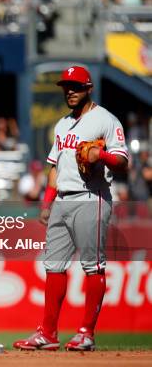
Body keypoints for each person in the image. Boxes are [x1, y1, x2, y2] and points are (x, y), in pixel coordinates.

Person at [13, 66, 129, 351]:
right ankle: (48, 334)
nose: (70, 91)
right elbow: (54, 167)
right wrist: (46, 203)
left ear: (89, 88)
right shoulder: (62, 124)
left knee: (93, 266)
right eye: (66, 86)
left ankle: (86, 333)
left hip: (92, 196)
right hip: (62, 200)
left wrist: (100, 154)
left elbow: (123, 161)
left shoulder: (106, 120)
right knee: (53, 266)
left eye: (76, 86)